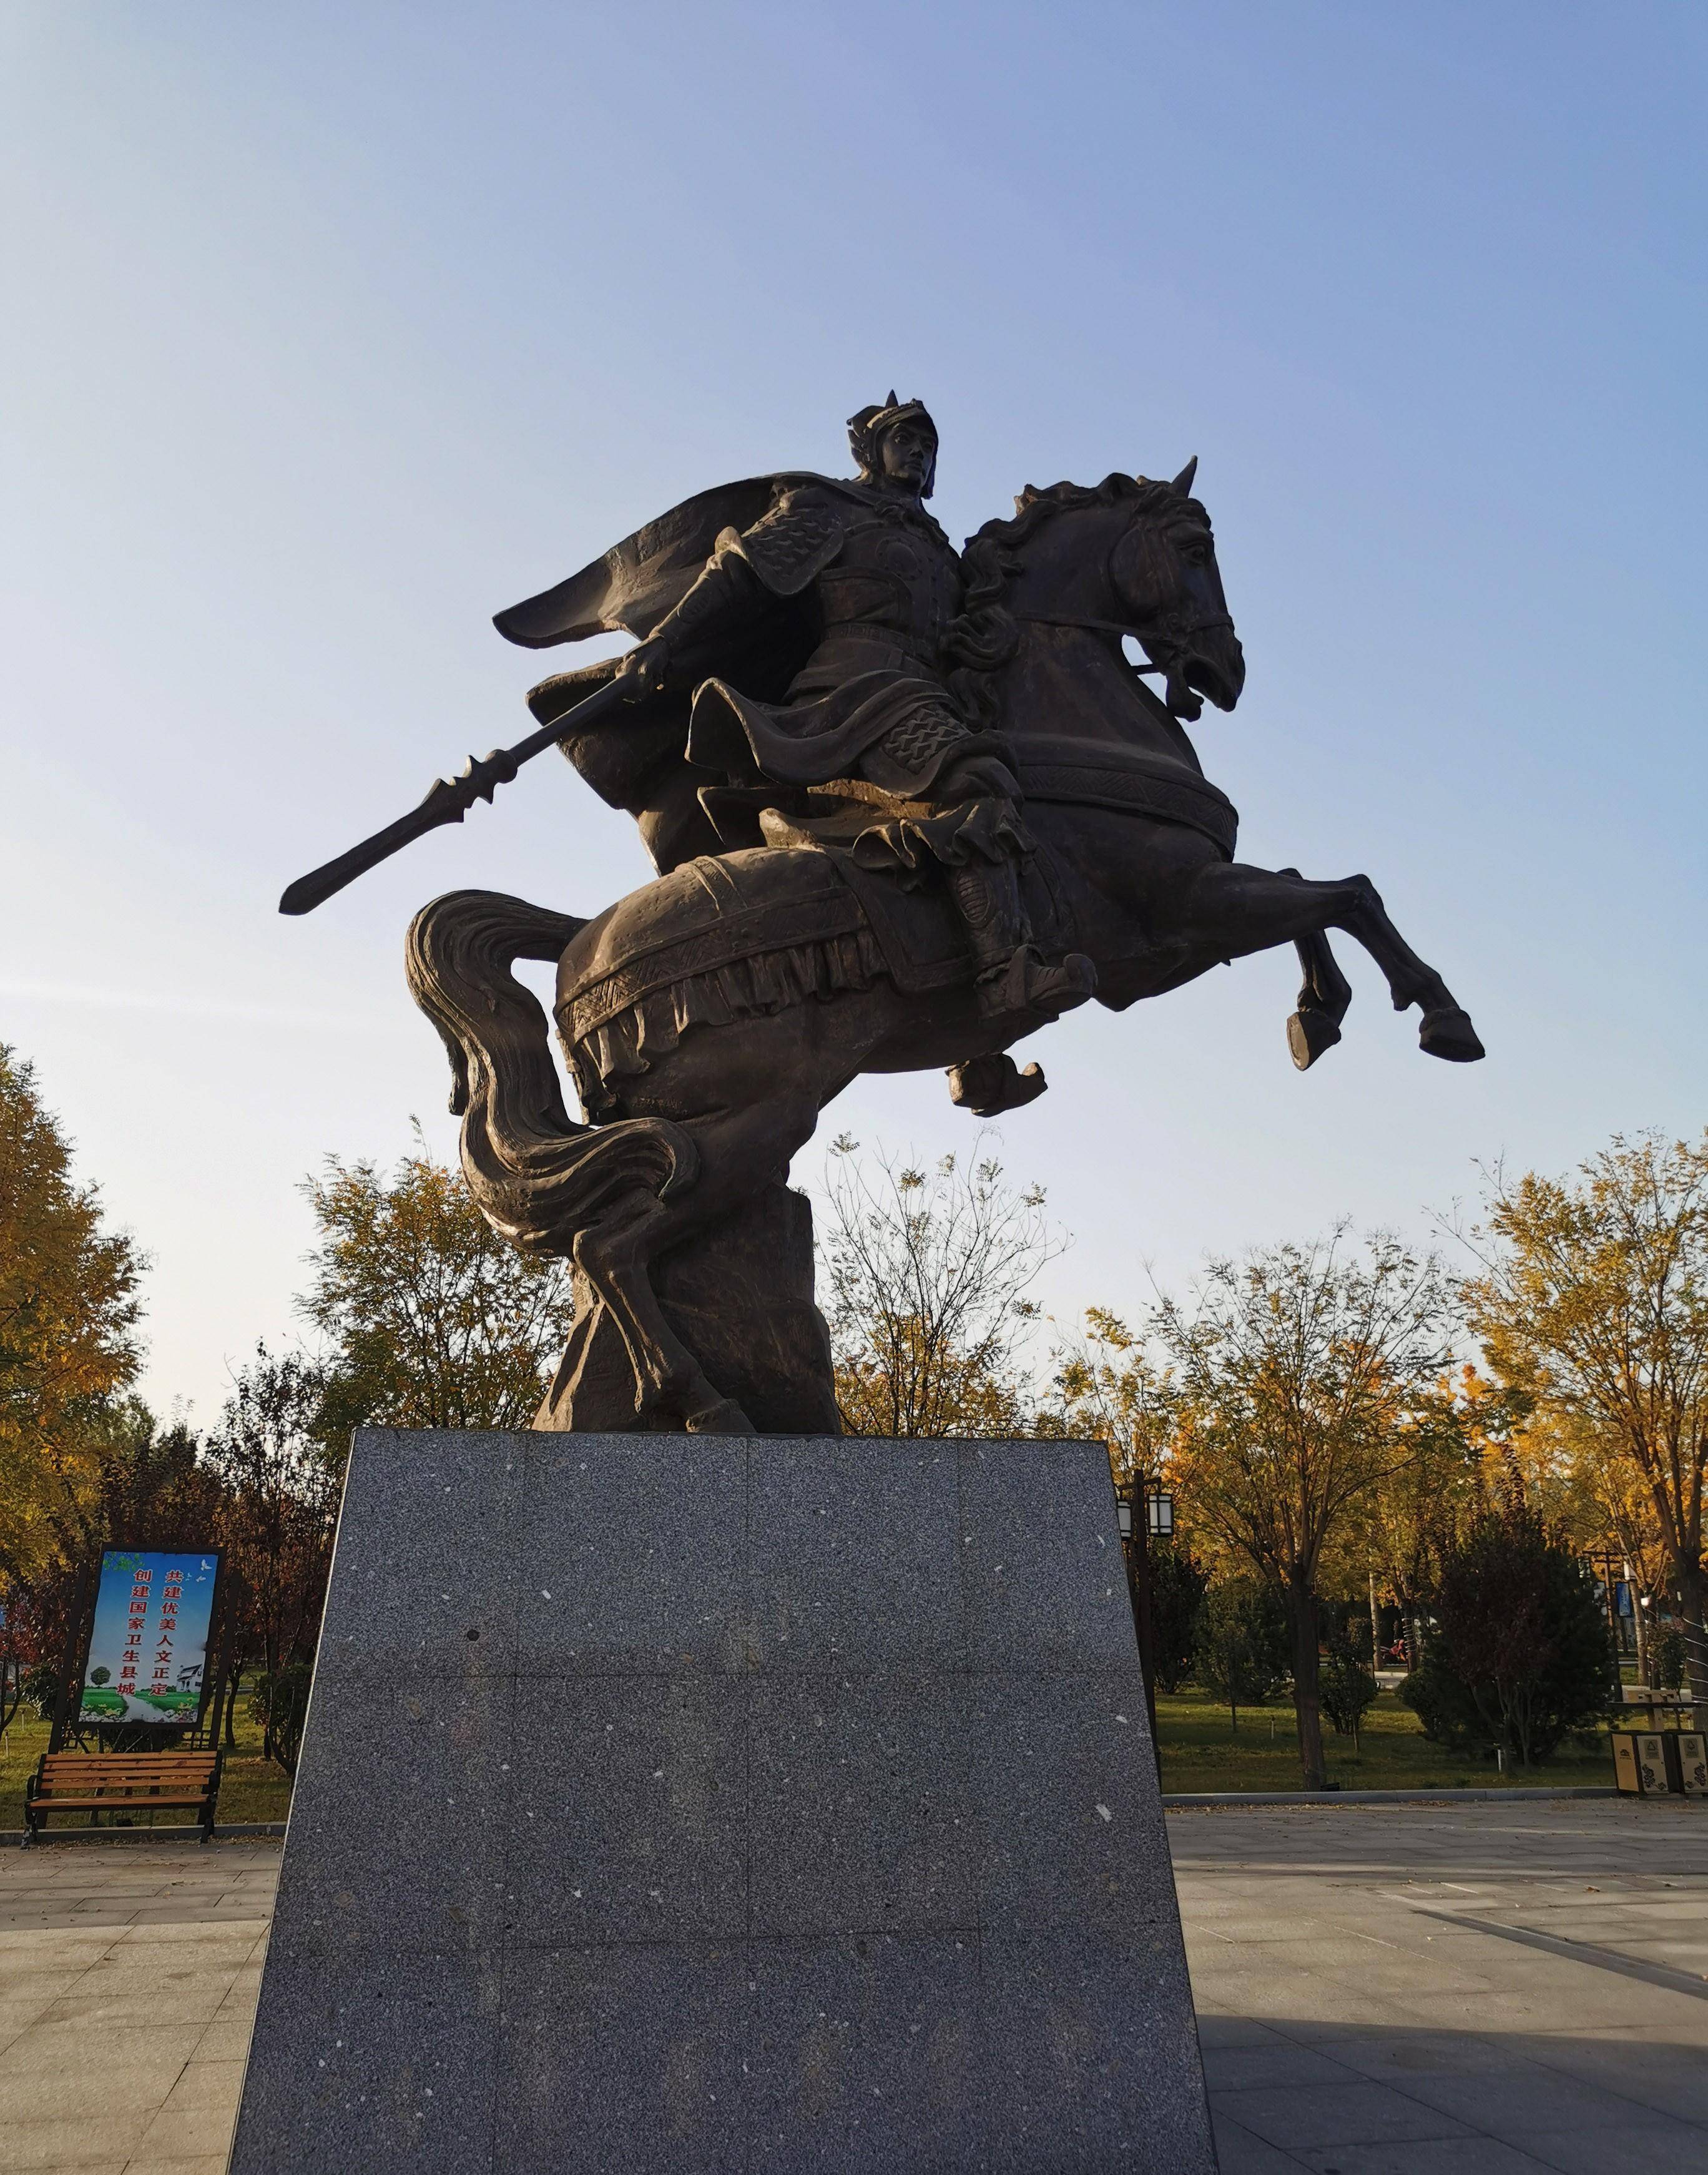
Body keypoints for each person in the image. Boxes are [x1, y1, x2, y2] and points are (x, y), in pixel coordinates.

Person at [614, 395, 1095, 1021]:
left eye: (928, 446)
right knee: (974, 782)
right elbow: (739, 571)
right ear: (872, 450)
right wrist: (666, 639)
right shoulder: (831, 507)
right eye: (905, 440)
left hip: (921, 692)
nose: (919, 452)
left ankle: (967, 1040)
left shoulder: (939, 550)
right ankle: (1006, 974)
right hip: (854, 691)